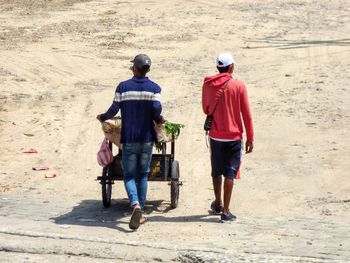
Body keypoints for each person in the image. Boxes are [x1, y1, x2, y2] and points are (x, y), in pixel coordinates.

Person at [97, 54, 164, 230]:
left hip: (129, 138)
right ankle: (139, 210)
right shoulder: (154, 88)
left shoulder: (123, 87)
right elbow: (157, 109)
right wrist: (158, 119)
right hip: (147, 138)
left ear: (134, 68)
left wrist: (102, 117)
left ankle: (135, 205)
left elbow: (113, 110)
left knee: (129, 175)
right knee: (143, 174)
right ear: (148, 69)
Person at [202, 52, 254, 222]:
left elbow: (206, 109)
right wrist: (250, 137)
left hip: (216, 136)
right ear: (231, 67)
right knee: (230, 174)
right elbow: (246, 114)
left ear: (218, 67)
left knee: (216, 171)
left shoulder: (208, 84)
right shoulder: (238, 85)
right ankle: (226, 210)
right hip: (233, 137)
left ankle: (217, 203)